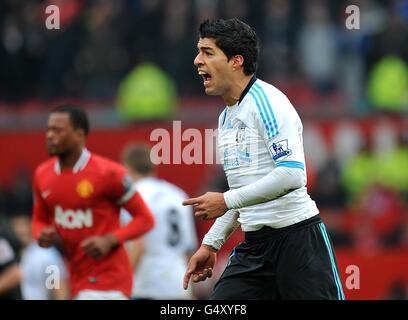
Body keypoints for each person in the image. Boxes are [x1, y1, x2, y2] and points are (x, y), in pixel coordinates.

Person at [182, 18, 345, 300]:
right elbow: (244, 194)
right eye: (199, 52)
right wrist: (210, 244)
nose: (198, 61)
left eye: (208, 52)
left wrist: (225, 201)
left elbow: (292, 175)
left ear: (236, 61)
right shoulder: (227, 117)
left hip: (299, 241)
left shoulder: (268, 103)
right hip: (255, 247)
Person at [32, 104, 155, 300]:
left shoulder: (109, 173)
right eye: (48, 129)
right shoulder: (42, 175)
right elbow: (39, 220)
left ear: (79, 135)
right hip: (73, 277)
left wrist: (110, 239)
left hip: (109, 281)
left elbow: (145, 219)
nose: (49, 135)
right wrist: (41, 234)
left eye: (58, 130)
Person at [120, 143, 198, 299]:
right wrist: (190, 289)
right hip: (178, 283)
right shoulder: (177, 194)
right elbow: (189, 249)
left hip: (148, 285)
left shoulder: (133, 196)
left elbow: (138, 245)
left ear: (127, 168)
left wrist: (121, 285)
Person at [11, 214, 70, 300]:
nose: (19, 230)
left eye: (23, 225)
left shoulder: (46, 254)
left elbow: (60, 291)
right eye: (16, 225)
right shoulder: (22, 252)